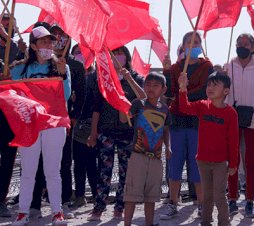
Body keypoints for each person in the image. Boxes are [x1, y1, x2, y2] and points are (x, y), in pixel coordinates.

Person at [10, 26, 71, 225]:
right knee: (28, 171)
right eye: (44, 42)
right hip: (29, 124)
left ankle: (57, 212)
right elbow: (12, 95)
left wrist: (62, 76)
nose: (48, 45)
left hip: (54, 123)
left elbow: (67, 96)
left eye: (50, 42)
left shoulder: (62, 66)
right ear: (34, 46)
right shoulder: (21, 68)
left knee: (53, 171)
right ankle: (22, 211)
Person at [87, 46, 145, 221]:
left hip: (127, 132)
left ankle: (120, 207)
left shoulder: (135, 78)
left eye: (121, 53)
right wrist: (93, 132)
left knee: (125, 172)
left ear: (127, 58)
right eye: (115, 53)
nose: (118, 57)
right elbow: (96, 107)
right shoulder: (104, 79)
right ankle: (99, 207)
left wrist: (128, 79)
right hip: (106, 131)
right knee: (104, 171)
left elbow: (143, 99)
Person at [160, 31, 213, 220]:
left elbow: (206, 90)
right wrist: (166, 71)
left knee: (197, 163)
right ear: (182, 46)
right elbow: (170, 92)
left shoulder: (206, 65)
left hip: (197, 121)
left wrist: (185, 92)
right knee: (175, 162)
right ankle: (173, 202)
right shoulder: (175, 68)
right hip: (178, 120)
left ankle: (201, 204)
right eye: (189, 41)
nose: (193, 44)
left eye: (196, 41)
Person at [178, 71, 239, 226]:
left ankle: (223, 223)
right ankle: (206, 222)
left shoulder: (231, 113)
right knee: (206, 196)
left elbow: (233, 140)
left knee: (219, 196)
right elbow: (184, 108)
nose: (210, 87)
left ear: (226, 91)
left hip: (220, 162)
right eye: (209, 84)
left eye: (215, 84)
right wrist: (182, 89)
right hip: (203, 160)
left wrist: (233, 164)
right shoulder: (202, 106)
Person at [225, 33, 254, 218]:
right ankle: (232, 199)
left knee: (250, 161)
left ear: (253, 47)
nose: (242, 45)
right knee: (233, 160)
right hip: (233, 117)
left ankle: (250, 201)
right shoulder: (230, 65)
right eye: (239, 43)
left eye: (246, 43)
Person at [123, 72, 171, 226]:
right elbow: (124, 118)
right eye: (148, 85)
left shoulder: (165, 109)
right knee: (131, 194)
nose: (151, 88)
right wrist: (120, 104)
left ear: (163, 89)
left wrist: (168, 147)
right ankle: (127, 223)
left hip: (156, 157)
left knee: (152, 196)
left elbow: (165, 129)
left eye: (155, 85)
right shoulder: (138, 103)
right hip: (138, 155)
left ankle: (149, 223)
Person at [0, 14, 27, 218]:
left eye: (10, 27)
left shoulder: (19, 52)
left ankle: (1, 199)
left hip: (11, 115)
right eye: (3, 25)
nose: (6, 29)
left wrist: (24, 54)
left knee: (8, 159)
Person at [70, 44, 98, 207]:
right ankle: (79, 195)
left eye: (84, 53)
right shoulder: (71, 74)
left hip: (92, 123)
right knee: (78, 163)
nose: (81, 55)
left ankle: (96, 194)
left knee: (91, 163)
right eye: (77, 53)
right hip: (75, 123)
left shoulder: (96, 77)